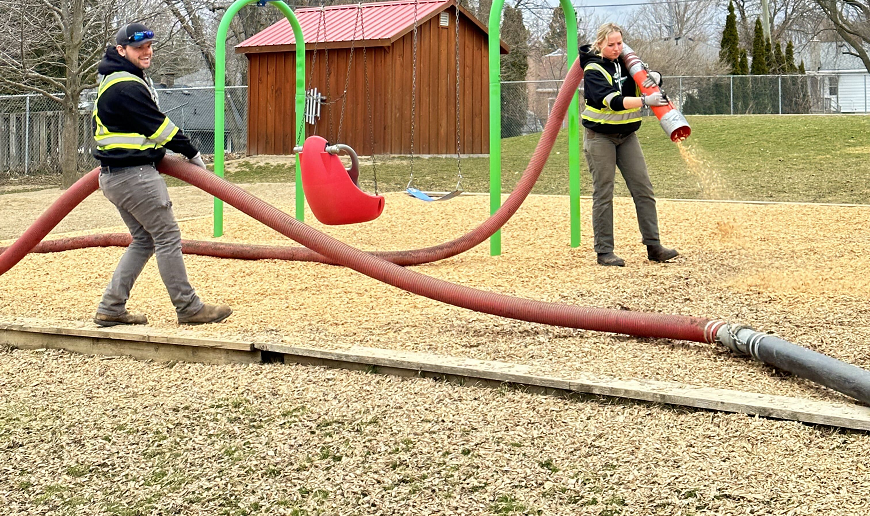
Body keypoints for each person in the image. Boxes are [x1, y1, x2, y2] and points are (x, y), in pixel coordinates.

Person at [91, 23, 232, 326]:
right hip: (135, 177)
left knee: (143, 240)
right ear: (121, 51)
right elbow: (160, 128)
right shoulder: (127, 86)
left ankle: (111, 306)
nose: (147, 52)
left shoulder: (111, 82)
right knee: (167, 237)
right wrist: (191, 152)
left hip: (113, 175)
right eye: (139, 48)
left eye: (150, 46)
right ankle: (188, 307)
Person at [579, 23, 679, 267]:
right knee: (604, 192)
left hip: (627, 136)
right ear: (599, 44)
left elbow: (643, 78)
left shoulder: (627, 62)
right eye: (611, 44)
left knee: (643, 188)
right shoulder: (593, 70)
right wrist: (646, 100)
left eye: (619, 44)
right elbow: (612, 101)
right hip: (600, 136)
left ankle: (654, 246)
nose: (616, 48)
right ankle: (604, 252)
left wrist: (655, 78)